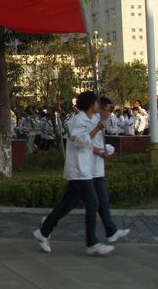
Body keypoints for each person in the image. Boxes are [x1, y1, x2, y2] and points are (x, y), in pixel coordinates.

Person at [34, 91, 114, 256]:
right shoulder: (77, 121)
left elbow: (92, 144)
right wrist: (97, 129)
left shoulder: (91, 120)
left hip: (86, 169)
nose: (99, 106)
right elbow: (80, 141)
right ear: (91, 105)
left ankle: (44, 231)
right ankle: (91, 243)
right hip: (78, 169)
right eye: (97, 103)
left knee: (67, 204)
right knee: (93, 202)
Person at [92, 97, 131, 243]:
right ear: (100, 108)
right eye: (108, 110)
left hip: (95, 169)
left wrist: (105, 151)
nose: (109, 113)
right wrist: (102, 152)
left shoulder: (101, 122)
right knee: (74, 203)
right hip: (87, 170)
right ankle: (47, 226)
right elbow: (87, 143)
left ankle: (110, 230)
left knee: (101, 201)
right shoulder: (93, 122)